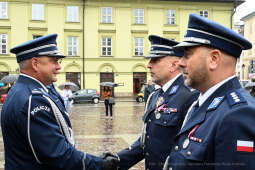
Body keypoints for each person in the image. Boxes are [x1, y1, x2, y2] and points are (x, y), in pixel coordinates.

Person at [0, 34, 118, 170]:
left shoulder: (21, 89)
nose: (58, 67)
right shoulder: (34, 100)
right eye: (54, 61)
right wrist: (100, 164)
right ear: (35, 64)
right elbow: (57, 154)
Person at [163, 13, 255, 170]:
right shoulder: (203, 103)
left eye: (187, 55)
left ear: (214, 59)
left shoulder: (237, 115)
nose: (180, 63)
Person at [103, 35, 198, 170]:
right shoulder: (155, 96)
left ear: (174, 65)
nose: (148, 65)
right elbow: (145, 143)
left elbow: (190, 154)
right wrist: (116, 160)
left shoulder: (190, 97)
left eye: (155, 60)